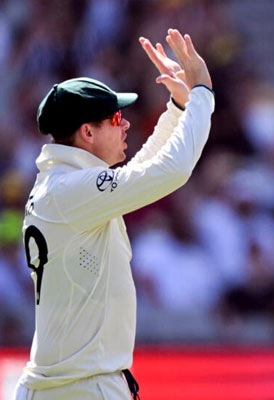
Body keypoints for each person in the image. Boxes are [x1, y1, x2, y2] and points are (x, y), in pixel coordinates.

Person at [15, 29, 213, 400]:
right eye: (116, 117)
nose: (125, 125)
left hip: (65, 386)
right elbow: (170, 171)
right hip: (80, 388)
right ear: (87, 132)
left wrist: (179, 108)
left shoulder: (64, 185)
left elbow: (142, 170)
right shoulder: (70, 190)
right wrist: (202, 94)